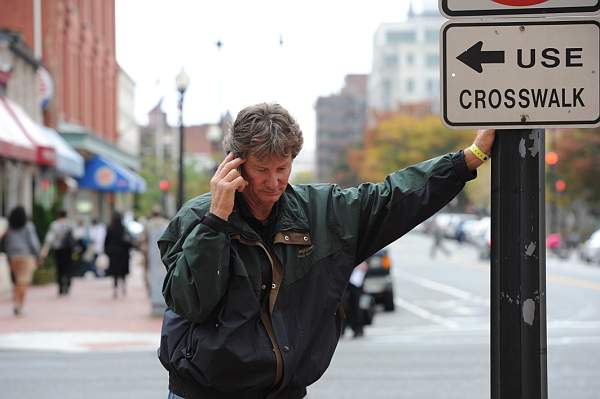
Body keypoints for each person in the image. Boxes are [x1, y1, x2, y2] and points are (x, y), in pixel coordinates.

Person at [158, 103, 495, 399]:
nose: (274, 181)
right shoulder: (198, 217)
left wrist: (469, 159)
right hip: (205, 392)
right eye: (262, 169)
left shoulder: (320, 211)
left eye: (283, 167)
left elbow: (391, 198)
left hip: (283, 391)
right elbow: (189, 301)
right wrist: (216, 222)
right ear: (235, 164)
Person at [1, 206, 41, 315]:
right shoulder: (28, 226)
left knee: (17, 282)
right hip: (26, 256)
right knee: (23, 282)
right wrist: (38, 255)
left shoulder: (9, 227)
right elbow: (33, 242)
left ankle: (16, 303)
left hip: (12, 257)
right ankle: (19, 305)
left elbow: (6, 242)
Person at [41, 209, 75, 296]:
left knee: (59, 268)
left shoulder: (55, 224)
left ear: (58, 215)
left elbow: (49, 238)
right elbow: (76, 236)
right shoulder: (70, 224)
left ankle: (60, 287)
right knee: (68, 268)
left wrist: (45, 250)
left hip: (58, 250)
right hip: (69, 250)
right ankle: (67, 284)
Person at [104, 211, 133, 299]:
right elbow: (129, 241)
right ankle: (123, 287)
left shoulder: (110, 228)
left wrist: (107, 251)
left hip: (113, 254)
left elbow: (106, 241)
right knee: (123, 272)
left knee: (115, 273)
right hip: (123, 253)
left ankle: (115, 288)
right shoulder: (124, 228)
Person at [344, 261, 369, 338]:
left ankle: (358, 328)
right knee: (342, 303)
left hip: (356, 275)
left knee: (355, 303)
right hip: (344, 271)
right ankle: (343, 327)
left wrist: (364, 262)